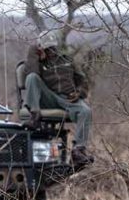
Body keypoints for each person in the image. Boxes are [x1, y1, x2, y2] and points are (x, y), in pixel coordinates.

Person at [24, 30, 94, 165]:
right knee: (32, 78)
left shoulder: (67, 59)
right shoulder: (37, 62)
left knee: (85, 111)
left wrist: (79, 93)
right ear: (41, 48)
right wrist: (34, 53)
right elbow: (30, 76)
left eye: (52, 47)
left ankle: (78, 150)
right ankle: (35, 115)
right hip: (49, 97)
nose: (51, 51)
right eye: (47, 48)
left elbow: (82, 80)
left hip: (68, 98)